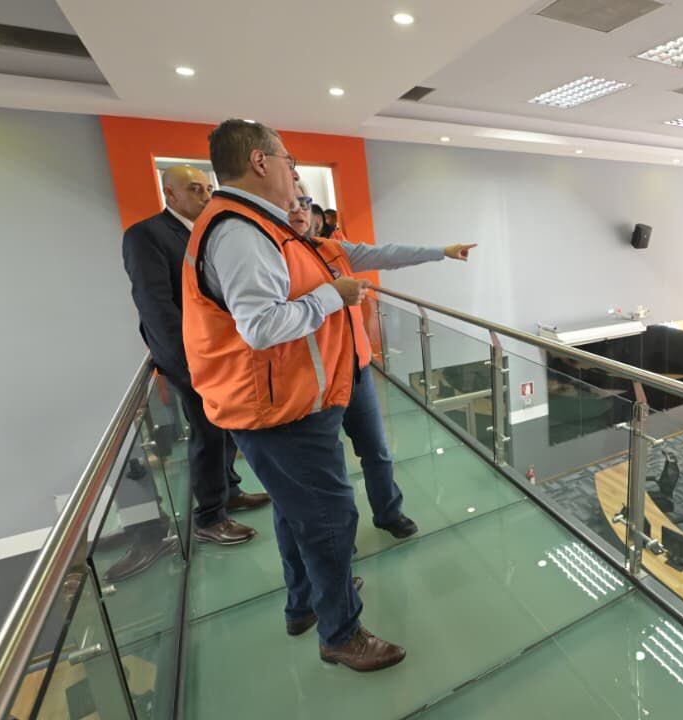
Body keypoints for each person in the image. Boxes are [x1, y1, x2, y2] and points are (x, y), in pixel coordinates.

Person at [181, 119, 473, 672]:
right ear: (260, 162)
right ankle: (341, 632)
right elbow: (261, 327)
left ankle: (307, 604)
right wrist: (333, 295)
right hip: (279, 409)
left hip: (287, 401)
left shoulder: (260, 228)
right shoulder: (242, 232)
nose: (294, 175)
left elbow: (377, 254)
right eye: (288, 161)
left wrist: (437, 252)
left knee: (299, 513)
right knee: (330, 518)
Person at [287, 185, 472, 537]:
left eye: (304, 204)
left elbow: (387, 254)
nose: (299, 211)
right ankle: (340, 538)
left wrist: (442, 252)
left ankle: (388, 514)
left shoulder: (332, 249)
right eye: (289, 204)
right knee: (328, 467)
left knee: (377, 451)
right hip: (315, 378)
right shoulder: (277, 260)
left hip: (357, 372)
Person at [120, 165, 269, 571]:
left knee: (227, 429)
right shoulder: (146, 235)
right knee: (207, 432)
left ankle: (230, 491)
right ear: (170, 193)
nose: (205, 196)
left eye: (207, 188)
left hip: (223, 351)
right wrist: (188, 366)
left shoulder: (208, 233)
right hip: (191, 358)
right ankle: (210, 518)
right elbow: (155, 306)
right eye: (195, 189)